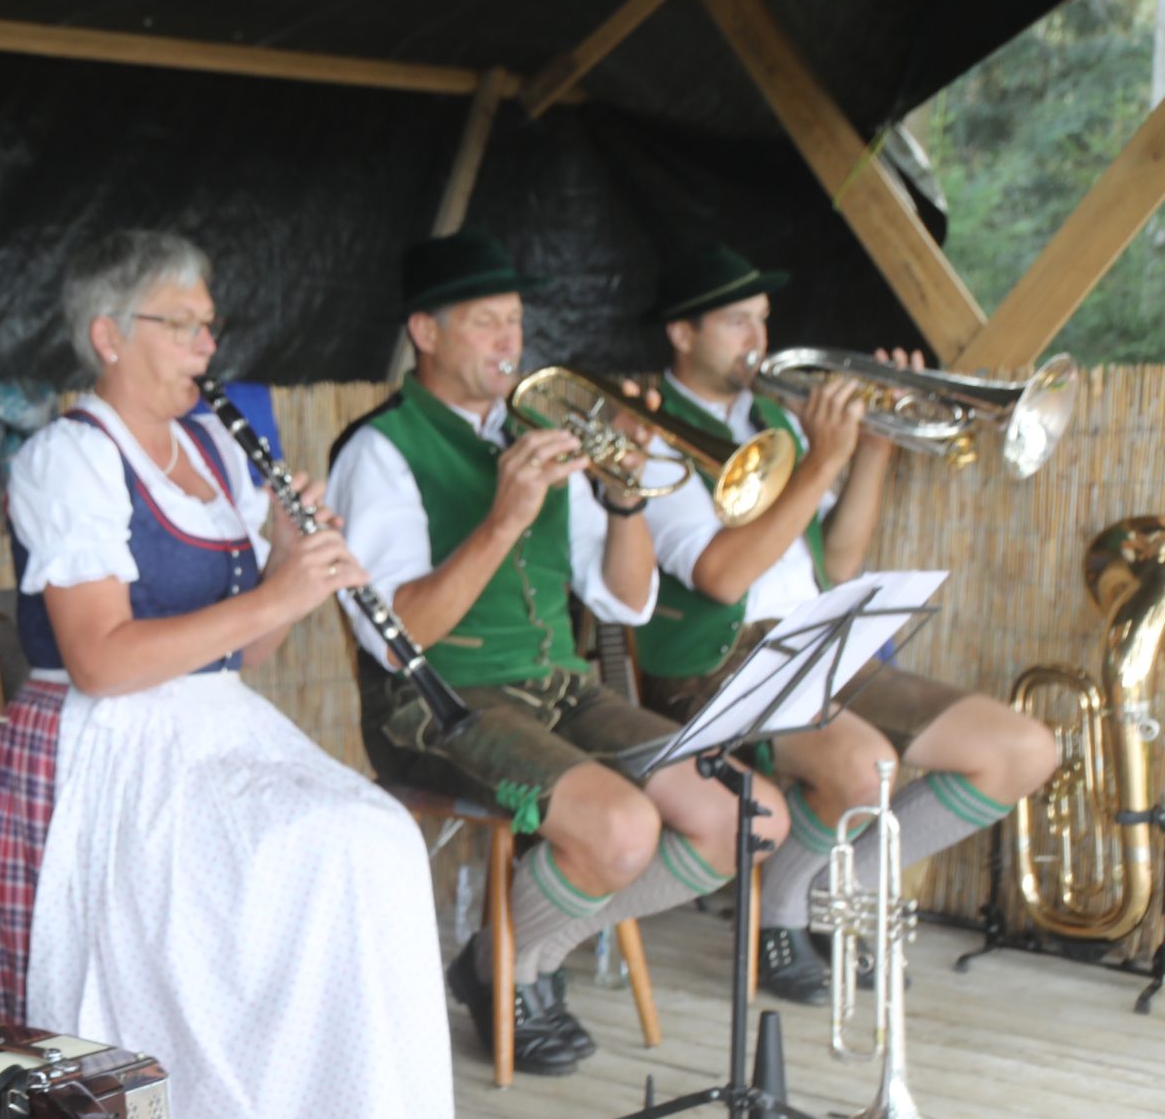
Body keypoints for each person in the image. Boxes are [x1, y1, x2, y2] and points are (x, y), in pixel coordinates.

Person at [0, 229, 460, 1119]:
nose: (205, 346)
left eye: (208, 325)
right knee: (322, 850)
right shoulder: (68, 458)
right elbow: (101, 659)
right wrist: (276, 587)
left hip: (212, 723)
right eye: (179, 324)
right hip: (107, 741)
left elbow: (246, 652)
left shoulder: (218, 451)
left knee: (379, 837)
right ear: (107, 335)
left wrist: (288, 561)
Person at [328, 230, 789, 1075]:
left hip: (554, 688)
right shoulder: (379, 449)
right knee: (621, 829)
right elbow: (397, 638)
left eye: (515, 320)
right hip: (436, 702)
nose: (510, 340)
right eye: (485, 321)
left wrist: (623, 499)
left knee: (747, 814)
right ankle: (516, 967)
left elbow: (625, 600)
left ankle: (504, 958)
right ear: (425, 332)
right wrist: (504, 516)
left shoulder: (541, 429)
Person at [633, 241, 1057, 1000]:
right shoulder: (654, 437)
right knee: (867, 769)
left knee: (1022, 750)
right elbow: (722, 577)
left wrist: (873, 446)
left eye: (763, 319)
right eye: (736, 322)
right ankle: (779, 915)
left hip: (817, 639)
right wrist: (823, 460)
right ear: (681, 333)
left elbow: (839, 559)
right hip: (716, 663)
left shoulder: (775, 419)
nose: (759, 339)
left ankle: (824, 888)